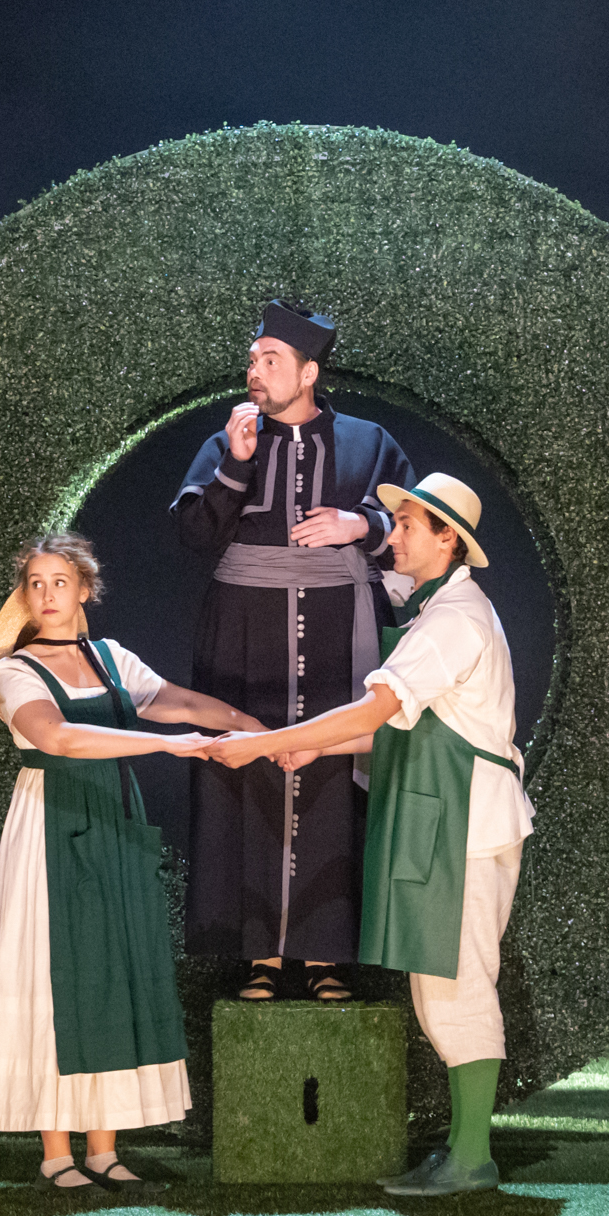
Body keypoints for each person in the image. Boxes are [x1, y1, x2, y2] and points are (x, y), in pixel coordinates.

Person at [207, 472, 529, 1197]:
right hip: (445, 818)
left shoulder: (454, 619)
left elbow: (374, 709)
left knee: (458, 987)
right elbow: (404, 724)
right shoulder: (438, 611)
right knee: (441, 990)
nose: (396, 535)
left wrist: (268, 744)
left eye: (410, 524)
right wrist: (316, 749)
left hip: (466, 824)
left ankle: (473, 1156)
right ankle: (462, 1149)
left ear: (448, 540)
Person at [0, 533, 251, 1195]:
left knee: (113, 970)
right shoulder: (13, 670)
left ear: (84, 589)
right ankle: (55, 1151)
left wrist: (256, 728)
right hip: (51, 822)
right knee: (54, 973)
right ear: (24, 595)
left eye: (59, 582)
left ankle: (103, 1148)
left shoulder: (111, 658)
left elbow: (179, 702)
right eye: (35, 583)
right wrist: (167, 747)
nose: (47, 594)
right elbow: (57, 736)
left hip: (114, 821)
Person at [172, 301, 416, 1000]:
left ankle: (326, 954)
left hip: (342, 633)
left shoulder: (369, 441)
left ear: (308, 372)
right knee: (246, 772)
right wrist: (236, 466)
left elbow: (414, 527)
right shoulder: (229, 441)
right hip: (242, 635)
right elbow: (192, 535)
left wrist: (358, 524)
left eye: (270, 360)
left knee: (335, 775)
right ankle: (260, 954)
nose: (254, 371)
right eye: (252, 359)